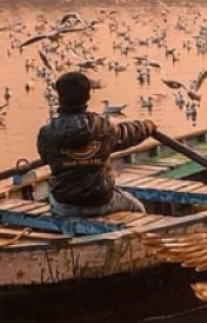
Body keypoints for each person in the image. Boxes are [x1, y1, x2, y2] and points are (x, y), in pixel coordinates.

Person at [37, 72, 156, 217]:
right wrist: (148, 126)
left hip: (65, 205)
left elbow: (46, 157)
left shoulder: (46, 133)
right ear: (88, 97)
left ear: (59, 98)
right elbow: (127, 134)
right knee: (138, 208)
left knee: (53, 200)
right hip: (101, 201)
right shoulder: (104, 128)